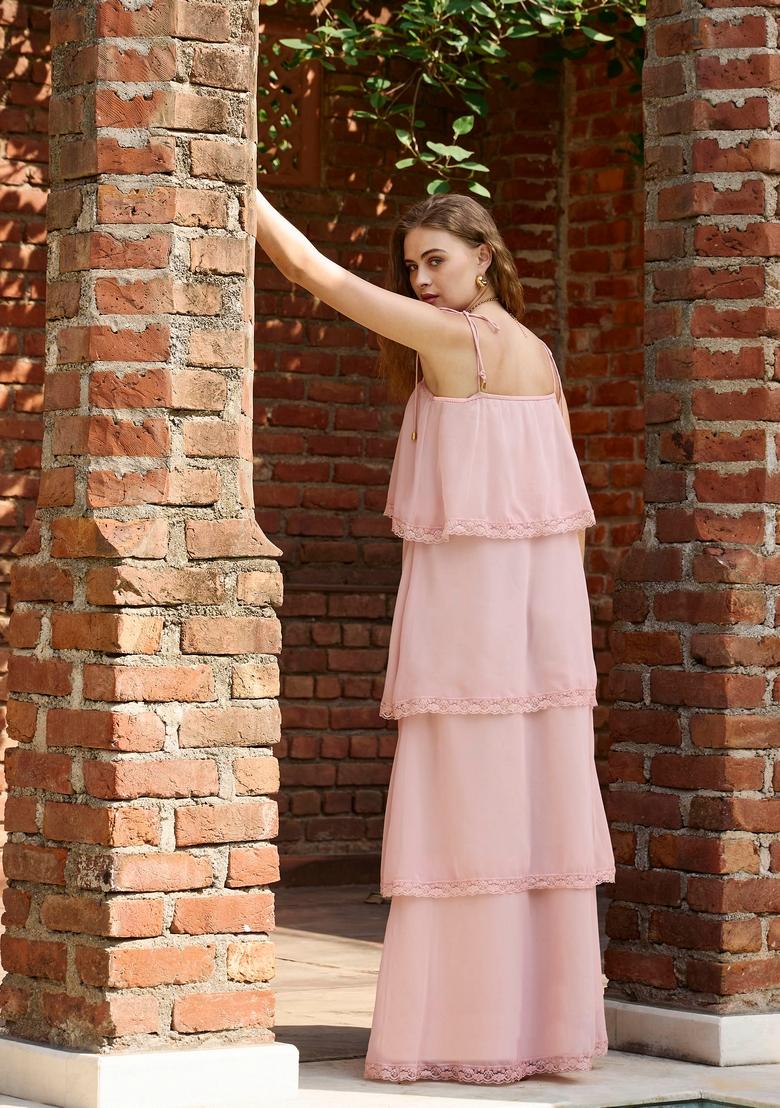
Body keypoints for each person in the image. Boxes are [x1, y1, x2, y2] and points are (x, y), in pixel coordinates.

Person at [252, 187, 615, 1085]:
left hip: (475, 616)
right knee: (524, 808)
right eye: (410, 265)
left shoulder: (460, 342)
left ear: (484, 255)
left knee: (467, 806)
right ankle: (533, 1031)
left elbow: (309, 271)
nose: (419, 280)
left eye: (435, 261)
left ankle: (465, 1032)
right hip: (536, 622)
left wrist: (240, 185)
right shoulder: (535, 355)